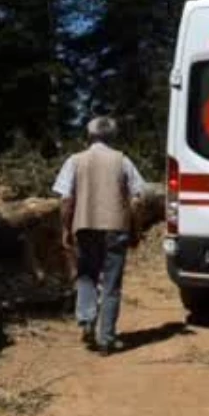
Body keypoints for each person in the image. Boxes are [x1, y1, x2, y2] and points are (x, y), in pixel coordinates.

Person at [51, 116, 148, 356]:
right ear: (112, 137)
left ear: (89, 135)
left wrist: (65, 228)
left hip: (85, 225)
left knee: (86, 275)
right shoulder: (122, 160)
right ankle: (106, 339)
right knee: (112, 285)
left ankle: (86, 320)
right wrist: (135, 228)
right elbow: (139, 198)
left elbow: (65, 200)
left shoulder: (75, 160)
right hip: (116, 227)